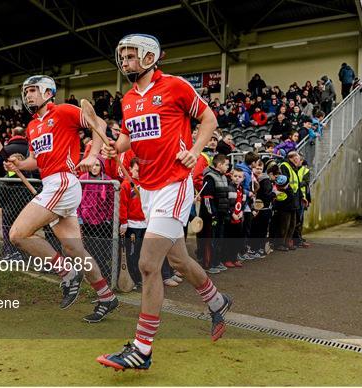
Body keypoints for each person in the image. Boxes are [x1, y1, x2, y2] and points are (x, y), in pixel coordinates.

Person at [97, 33, 232, 371]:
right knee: (181, 260)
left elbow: (209, 120)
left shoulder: (175, 86)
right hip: (148, 188)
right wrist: (119, 147)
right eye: (122, 56)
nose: (124, 61)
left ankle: (142, 349)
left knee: (147, 264)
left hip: (174, 185)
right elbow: (131, 135)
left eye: (130, 56)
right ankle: (218, 301)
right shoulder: (127, 98)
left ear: (149, 57)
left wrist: (195, 150)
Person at [4, 75, 119, 323]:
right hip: (53, 184)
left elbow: (96, 121)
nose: (28, 96)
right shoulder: (32, 126)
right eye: (26, 92)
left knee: (17, 234)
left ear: (48, 92)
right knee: (74, 249)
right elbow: (36, 160)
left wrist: (93, 155)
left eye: (33, 90)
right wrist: (19, 163)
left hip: (64, 182)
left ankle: (66, 272)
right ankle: (106, 296)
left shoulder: (64, 111)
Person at [0, 126, 35, 258]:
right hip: (26, 206)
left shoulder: (6, 150)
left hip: (9, 209)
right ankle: (23, 252)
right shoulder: (30, 149)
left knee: (7, 228)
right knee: (26, 229)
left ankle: (9, 252)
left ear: (12, 134)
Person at [78, 157, 114, 280]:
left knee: (102, 249)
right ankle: (91, 274)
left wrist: (108, 217)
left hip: (102, 219)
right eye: (92, 165)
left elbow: (111, 201)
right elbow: (77, 200)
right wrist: (79, 217)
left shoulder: (107, 180)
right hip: (86, 218)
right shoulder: (83, 179)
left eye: (97, 165)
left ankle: (104, 273)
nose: (94, 167)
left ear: (101, 167)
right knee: (89, 247)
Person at [200, 154, 230, 273]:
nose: (228, 167)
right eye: (226, 164)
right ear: (219, 165)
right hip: (211, 216)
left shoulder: (223, 176)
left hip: (221, 214)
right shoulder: (210, 177)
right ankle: (209, 264)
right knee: (210, 240)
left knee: (218, 239)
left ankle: (216, 261)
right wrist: (212, 214)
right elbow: (207, 198)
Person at [119, 158, 146, 286]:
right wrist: (123, 222)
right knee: (132, 253)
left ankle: (139, 277)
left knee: (142, 253)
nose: (140, 173)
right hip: (132, 225)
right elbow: (122, 205)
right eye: (137, 170)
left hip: (145, 224)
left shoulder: (147, 183)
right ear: (130, 169)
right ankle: (133, 279)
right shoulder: (126, 184)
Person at [223, 167, 246, 268]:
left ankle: (234, 258)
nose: (237, 178)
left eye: (239, 177)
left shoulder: (242, 189)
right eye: (235, 176)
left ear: (243, 178)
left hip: (239, 218)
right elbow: (227, 203)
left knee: (237, 240)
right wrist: (232, 214)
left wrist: (241, 212)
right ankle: (227, 259)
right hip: (230, 219)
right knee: (228, 240)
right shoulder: (229, 187)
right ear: (231, 176)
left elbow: (243, 203)